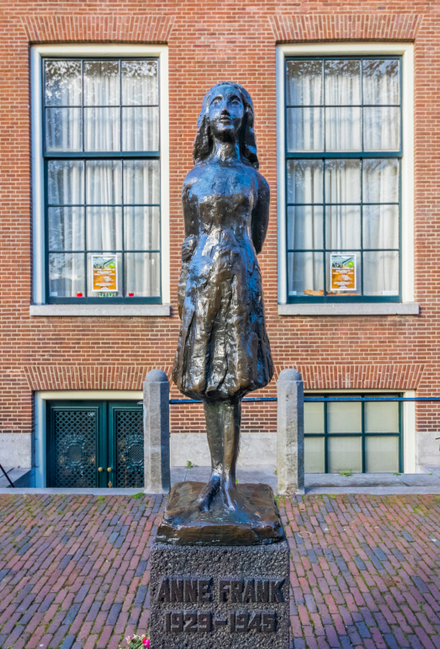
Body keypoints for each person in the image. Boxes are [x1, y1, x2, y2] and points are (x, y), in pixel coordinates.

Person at [172, 82, 273, 513]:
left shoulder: (256, 180)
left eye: (235, 102)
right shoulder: (193, 179)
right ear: (206, 117)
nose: (226, 109)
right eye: (216, 102)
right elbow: (190, 241)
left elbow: (258, 238)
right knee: (210, 384)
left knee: (233, 384)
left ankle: (228, 480)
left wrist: (235, 266)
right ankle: (216, 474)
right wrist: (186, 297)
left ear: (246, 116)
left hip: (241, 284)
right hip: (200, 285)